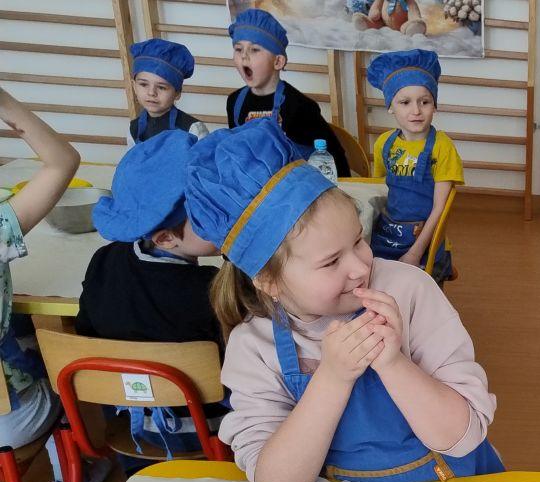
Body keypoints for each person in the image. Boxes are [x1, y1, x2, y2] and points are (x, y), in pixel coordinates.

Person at [186, 121, 502, 482]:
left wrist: (393, 363)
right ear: (269, 281)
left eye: (358, 241)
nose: (359, 267)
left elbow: (462, 436)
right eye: (331, 261)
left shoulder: (410, 291)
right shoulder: (254, 347)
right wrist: (333, 377)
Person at [80, 130, 224, 458]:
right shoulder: (210, 289)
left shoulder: (103, 261)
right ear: (165, 239)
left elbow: (86, 333)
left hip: (131, 419)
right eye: (206, 213)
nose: (222, 213)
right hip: (206, 427)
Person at [0, 87, 112, 482]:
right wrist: (5, 103)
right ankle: (72, 479)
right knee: (61, 360)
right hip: (7, 421)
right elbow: (64, 161)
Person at [366, 49, 465, 279]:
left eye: (425, 102)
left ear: (435, 105)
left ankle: (441, 266)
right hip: (390, 231)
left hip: (423, 238)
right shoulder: (384, 143)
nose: (416, 111)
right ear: (390, 106)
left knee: (417, 285)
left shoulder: (442, 147)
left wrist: (415, 253)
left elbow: (439, 209)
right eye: (405, 102)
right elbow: (381, 190)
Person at [224, 8, 349, 176]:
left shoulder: (300, 106)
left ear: (278, 61)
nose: (244, 57)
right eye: (238, 49)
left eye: (254, 50)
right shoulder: (234, 102)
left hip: (295, 185)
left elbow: (335, 158)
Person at [126, 39, 209, 146]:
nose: (151, 93)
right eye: (144, 84)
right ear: (134, 86)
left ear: (177, 93)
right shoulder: (133, 129)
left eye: (161, 87)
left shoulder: (193, 129)